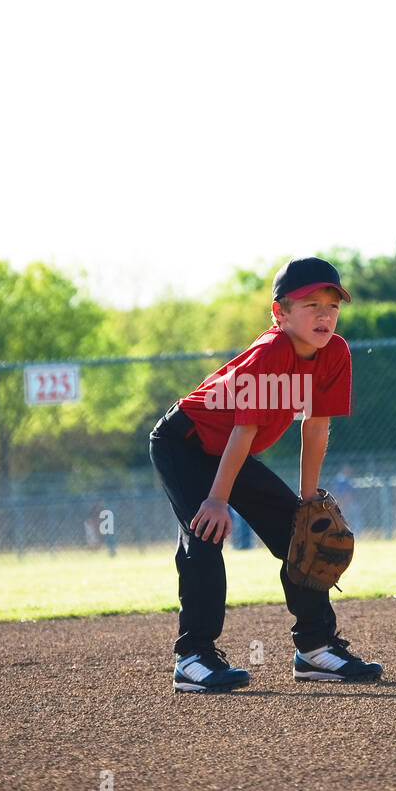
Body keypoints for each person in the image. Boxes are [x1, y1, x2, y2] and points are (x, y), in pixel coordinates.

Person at [148, 256, 383, 693]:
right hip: (183, 443)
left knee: (302, 533)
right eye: (310, 304)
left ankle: (315, 648)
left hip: (227, 451)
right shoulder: (272, 352)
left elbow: (316, 426)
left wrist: (308, 498)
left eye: (332, 305)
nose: (324, 314)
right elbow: (244, 429)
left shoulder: (335, 353)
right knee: (204, 533)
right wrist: (216, 501)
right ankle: (193, 656)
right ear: (281, 313)